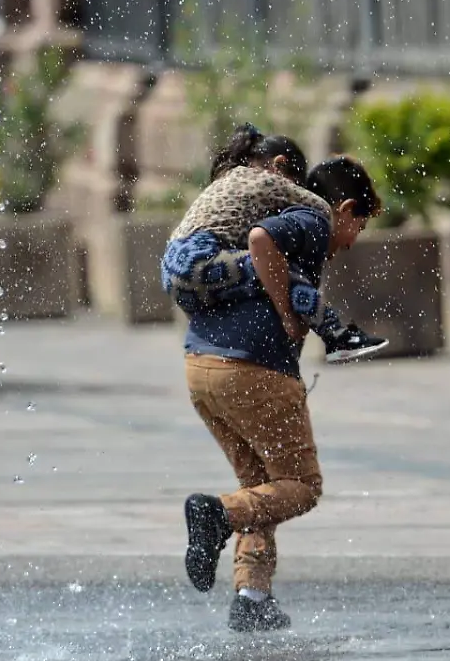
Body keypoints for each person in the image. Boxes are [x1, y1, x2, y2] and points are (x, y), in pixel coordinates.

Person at [179, 156, 382, 633]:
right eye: (359, 223)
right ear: (346, 208)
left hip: (200, 365)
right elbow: (261, 241)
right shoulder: (310, 220)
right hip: (254, 369)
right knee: (301, 486)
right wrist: (289, 318)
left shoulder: (272, 217)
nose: (352, 239)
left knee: (261, 488)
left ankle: (252, 596)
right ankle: (216, 515)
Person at [162, 124, 387, 363]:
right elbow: (321, 208)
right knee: (276, 266)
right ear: (279, 165)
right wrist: (287, 315)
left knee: (261, 271)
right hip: (198, 257)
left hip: (173, 265)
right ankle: (335, 333)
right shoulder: (271, 181)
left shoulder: (232, 177)